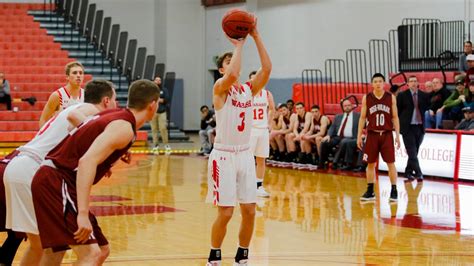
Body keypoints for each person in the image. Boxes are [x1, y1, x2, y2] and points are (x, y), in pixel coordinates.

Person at [30, 79, 159, 265]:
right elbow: (86, 161)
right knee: (92, 254)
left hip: (52, 179)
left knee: (96, 250)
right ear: (152, 105)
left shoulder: (118, 116)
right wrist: (82, 213)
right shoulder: (124, 127)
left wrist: (109, 158)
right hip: (57, 181)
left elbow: (90, 137)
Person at [2, 80, 117, 265]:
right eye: (115, 100)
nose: (115, 105)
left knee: (39, 246)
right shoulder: (90, 111)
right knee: (61, 248)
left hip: (18, 169)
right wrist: (98, 136)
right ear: (105, 101)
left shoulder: (76, 108)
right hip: (34, 171)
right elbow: (74, 116)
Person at [206, 19, 271, 266]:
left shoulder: (248, 90)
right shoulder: (219, 88)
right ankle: (214, 256)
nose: (233, 67)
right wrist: (239, 45)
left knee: (250, 211)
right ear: (221, 70)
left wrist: (256, 36)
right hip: (223, 156)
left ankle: (242, 256)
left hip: (245, 154)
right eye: (227, 63)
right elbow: (233, 73)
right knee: (226, 212)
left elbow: (266, 69)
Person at [358, 73, 401, 202]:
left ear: (384, 83)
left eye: (380, 81)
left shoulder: (391, 98)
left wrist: (397, 135)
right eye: (375, 81)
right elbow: (362, 118)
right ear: (372, 84)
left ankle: (394, 190)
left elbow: (395, 117)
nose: (378, 83)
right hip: (372, 134)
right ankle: (370, 191)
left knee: (391, 164)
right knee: (370, 164)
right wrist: (359, 135)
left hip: (386, 134)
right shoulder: (367, 98)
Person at [397, 75, 430, 181]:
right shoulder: (402, 95)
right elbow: (397, 111)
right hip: (407, 127)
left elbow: (428, 106)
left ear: (418, 83)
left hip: (420, 126)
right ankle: (419, 173)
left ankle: (408, 172)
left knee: (415, 152)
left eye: (415, 81)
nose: (413, 83)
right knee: (411, 150)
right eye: (411, 81)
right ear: (407, 84)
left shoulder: (424, 95)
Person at [249, 70, 275, 198]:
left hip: (263, 130)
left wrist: (269, 124)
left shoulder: (267, 94)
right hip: (250, 130)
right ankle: (245, 185)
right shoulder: (247, 94)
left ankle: (258, 186)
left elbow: (272, 109)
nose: (256, 81)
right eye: (253, 79)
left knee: (261, 159)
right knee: (247, 159)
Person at [39, 61, 85, 127]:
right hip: (61, 135)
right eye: (74, 73)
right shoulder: (57, 95)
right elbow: (43, 119)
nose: (78, 75)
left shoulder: (87, 95)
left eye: (81, 73)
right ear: (67, 77)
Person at [318, 99, 360, 170]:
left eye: (349, 105)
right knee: (324, 142)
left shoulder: (358, 116)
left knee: (344, 141)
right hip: (338, 137)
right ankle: (322, 163)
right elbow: (332, 127)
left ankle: (335, 162)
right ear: (343, 107)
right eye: (345, 106)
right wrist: (328, 135)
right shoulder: (338, 116)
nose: (347, 107)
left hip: (351, 138)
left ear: (352, 106)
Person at [150, 75, 171, 153]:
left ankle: (166, 144)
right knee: (154, 129)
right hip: (153, 112)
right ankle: (156, 145)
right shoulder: (151, 90)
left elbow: (166, 99)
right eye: (156, 80)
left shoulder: (164, 90)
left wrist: (157, 100)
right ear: (154, 81)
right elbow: (149, 100)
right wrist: (158, 100)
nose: (158, 81)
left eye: (159, 80)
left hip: (162, 112)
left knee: (163, 128)